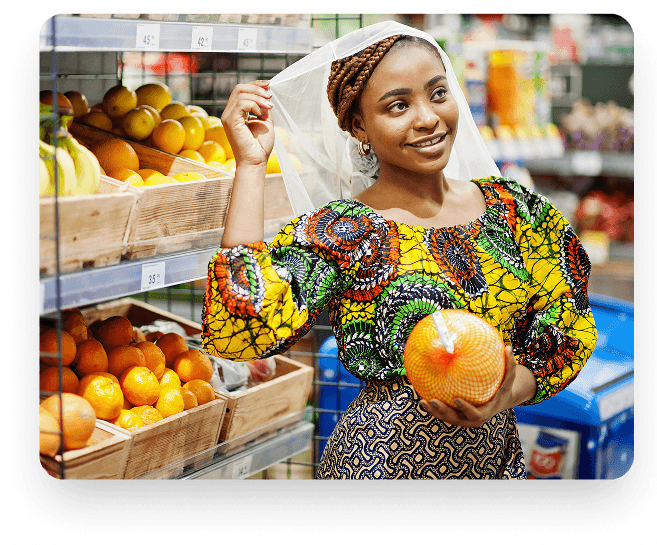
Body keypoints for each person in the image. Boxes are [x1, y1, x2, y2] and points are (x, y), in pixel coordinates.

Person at [201, 21, 597, 480]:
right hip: (379, 465)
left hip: (496, 465)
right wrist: (250, 164)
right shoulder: (344, 230)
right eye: (398, 105)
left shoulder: (515, 212)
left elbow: (566, 329)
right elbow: (240, 327)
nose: (427, 118)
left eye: (438, 93)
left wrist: (508, 394)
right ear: (359, 126)